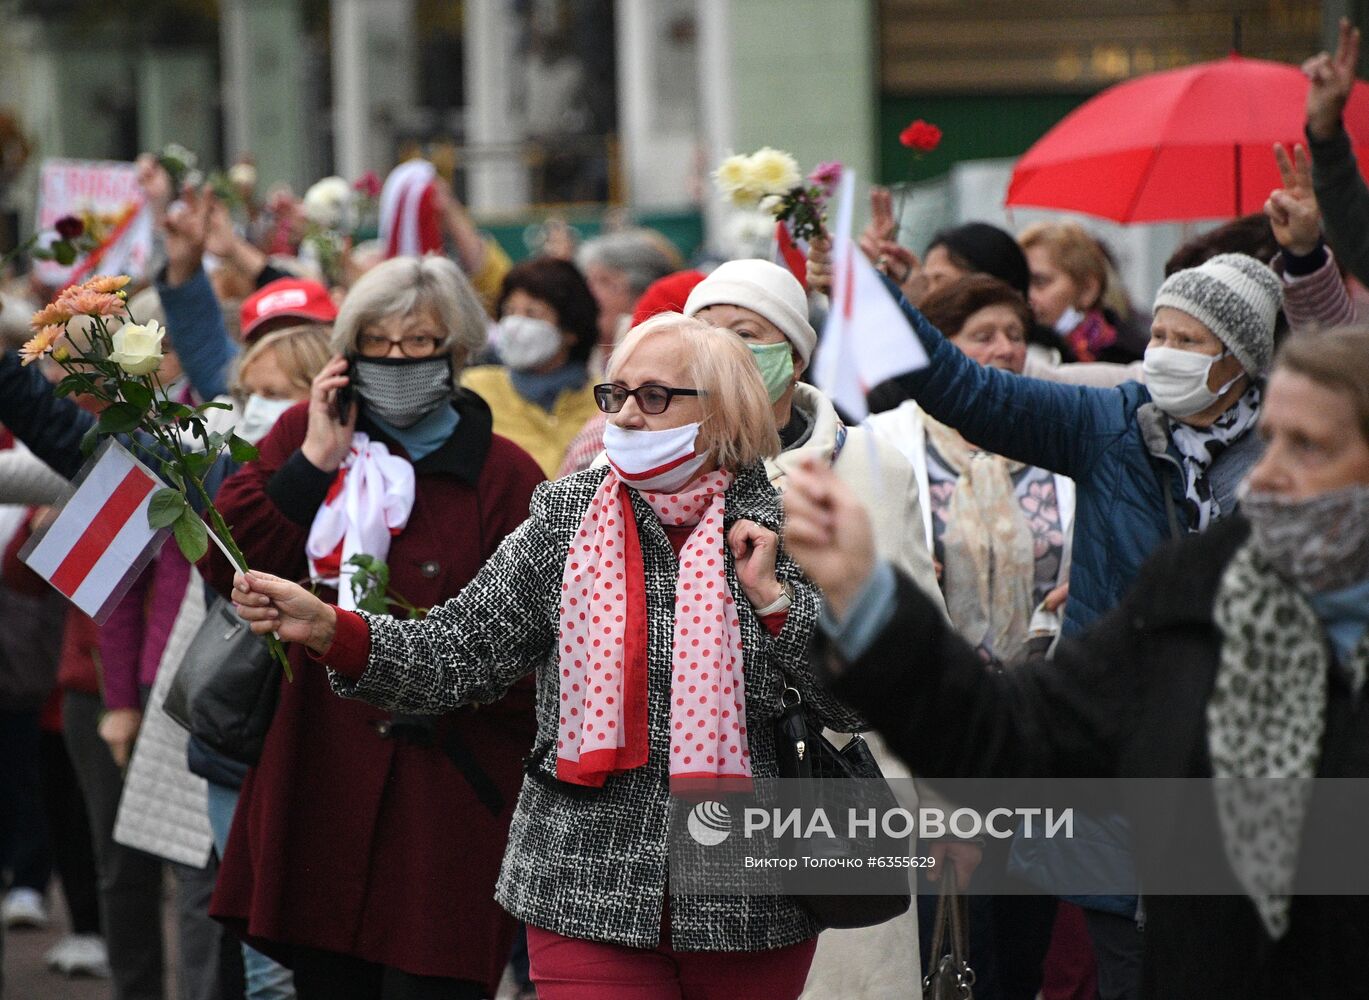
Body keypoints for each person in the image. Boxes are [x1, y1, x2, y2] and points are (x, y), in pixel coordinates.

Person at [230, 312, 862, 1000]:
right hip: (581, 882)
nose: (625, 414)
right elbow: (457, 651)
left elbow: (853, 705)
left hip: (750, 896)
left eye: (653, 397)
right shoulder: (565, 519)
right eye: (614, 394)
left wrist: (774, 605)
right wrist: (332, 630)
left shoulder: (788, 525)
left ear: (722, 413)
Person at [781, 323, 1369, 1000]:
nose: (1265, 477)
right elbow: (1010, 735)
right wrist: (867, 599)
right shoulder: (1201, 590)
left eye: (1308, 447)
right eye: (1269, 441)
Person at [861, 252, 1281, 999]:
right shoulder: (1113, 423)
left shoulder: (1296, 454)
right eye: (1160, 332)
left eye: (1190, 342)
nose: (1162, 354)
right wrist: (872, 297)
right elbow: (963, 388)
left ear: (1240, 361)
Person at [200, 255, 545, 1000]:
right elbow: (221, 559)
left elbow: (537, 639)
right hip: (318, 767)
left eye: (416, 343)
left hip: (448, 786)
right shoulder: (306, 429)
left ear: (453, 351)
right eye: (376, 343)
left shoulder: (504, 474)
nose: (393, 360)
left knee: (433, 978)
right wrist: (314, 462)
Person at [683, 257, 941, 605]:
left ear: (796, 360)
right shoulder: (641, 461)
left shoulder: (871, 462)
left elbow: (909, 622)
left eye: (744, 334)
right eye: (704, 331)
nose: (722, 348)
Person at [461, 257, 601, 477]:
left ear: (571, 330)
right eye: (509, 312)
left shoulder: (604, 401)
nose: (515, 326)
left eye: (532, 313)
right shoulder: (474, 390)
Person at [1018, 222, 1143, 363]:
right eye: (1021, 283)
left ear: (1087, 290)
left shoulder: (1131, 359)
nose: (1026, 296)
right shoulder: (1010, 350)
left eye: (1040, 282)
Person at [575, 229, 679, 363]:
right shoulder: (584, 356)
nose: (589, 292)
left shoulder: (660, 359)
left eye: (604, 281)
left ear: (642, 291)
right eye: (588, 280)